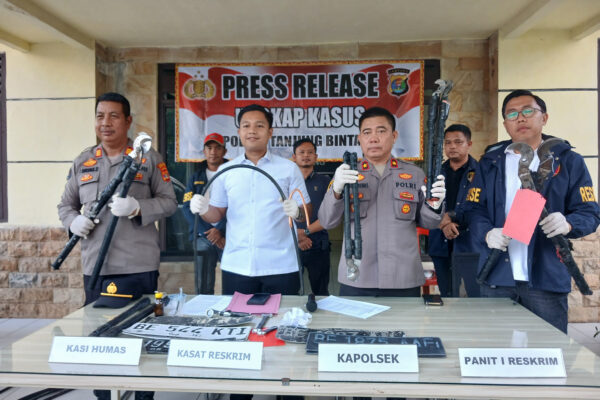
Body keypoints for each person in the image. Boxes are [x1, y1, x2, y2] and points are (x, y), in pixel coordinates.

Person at [57, 92, 177, 400]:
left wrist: (138, 207)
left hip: (138, 265)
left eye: (113, 116)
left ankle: (143, 395)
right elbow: (65, 205)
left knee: (143, 337)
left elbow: (169, 202)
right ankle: (104, 394)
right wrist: (72, 221)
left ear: (128, 121)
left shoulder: (148, 158)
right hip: (96, 266)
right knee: (98, 338)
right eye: (100, 116)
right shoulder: (83, 160)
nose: (105, 123)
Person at [466, 89, 600, 333]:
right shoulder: (490, 162)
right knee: (497, 348)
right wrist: (487, 233)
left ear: (544, 118)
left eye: (528, 111)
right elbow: (473, 210)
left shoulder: (569, 161)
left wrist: (568, 223)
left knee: (549, 349)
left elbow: (589, 212)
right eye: (512, 114)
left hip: (546, 277)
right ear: (505, 124)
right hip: (496, 275)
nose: (520, 118)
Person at [318, 107, 446, 297]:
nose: (373, 138)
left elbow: (430, 223)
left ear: (394, 136)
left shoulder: (414, 174)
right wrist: (336, 190)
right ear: (359, 138)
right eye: (367, 132)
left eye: (381, 131)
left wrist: (435, 206)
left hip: (403, 277)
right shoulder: (346, 174)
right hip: (358, 277)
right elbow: (327, 221)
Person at [189, 104, 311, 297]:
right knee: (238, 316)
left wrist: (297, 212)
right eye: (246, 126)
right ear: (239, 132)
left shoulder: (288, 168)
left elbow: (306, 212)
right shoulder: (226, 171)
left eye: (259, 126)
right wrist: (203, 209)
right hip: (237, 265)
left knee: (281, 315)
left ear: (270, 132)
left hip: (281, 265)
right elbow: (216, 214)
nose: (252, 131)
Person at [427, 124, 480, 297]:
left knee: (474, 294)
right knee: (447, 293)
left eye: (458, 142)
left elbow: (481, 206)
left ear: (469, 144)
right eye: (448, 142)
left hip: (469, 242)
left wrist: (451, 217)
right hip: (440, 241)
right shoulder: (435, 173)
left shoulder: (481, 172)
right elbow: (426, 204)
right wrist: (443, 223)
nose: (452, 146)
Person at [182, 133, 228, 294]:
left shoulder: (232, 173)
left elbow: (238, 207)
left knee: (232, 279)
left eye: (217, 148)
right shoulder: (196, 176)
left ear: (224, 151)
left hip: (228, 234)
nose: (213, 152)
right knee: (203, 284)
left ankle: (232, 305)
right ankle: (203, 305)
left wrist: (220, 230)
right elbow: (187, 207)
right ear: (204, 151)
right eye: (209, 148)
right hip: (203, 234)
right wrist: (209, 232)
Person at [292, 138, 331, 296]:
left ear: (316, 157)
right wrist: (297, 235)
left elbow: (331, 215)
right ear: (294, 157)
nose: (306, 155)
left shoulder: (326, 182)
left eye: (310, 152)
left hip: (318, 244)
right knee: (289, 291)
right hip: (291, 244)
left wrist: (305, 232)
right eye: (301, 152)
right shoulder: (287, 181)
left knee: (321, 292)